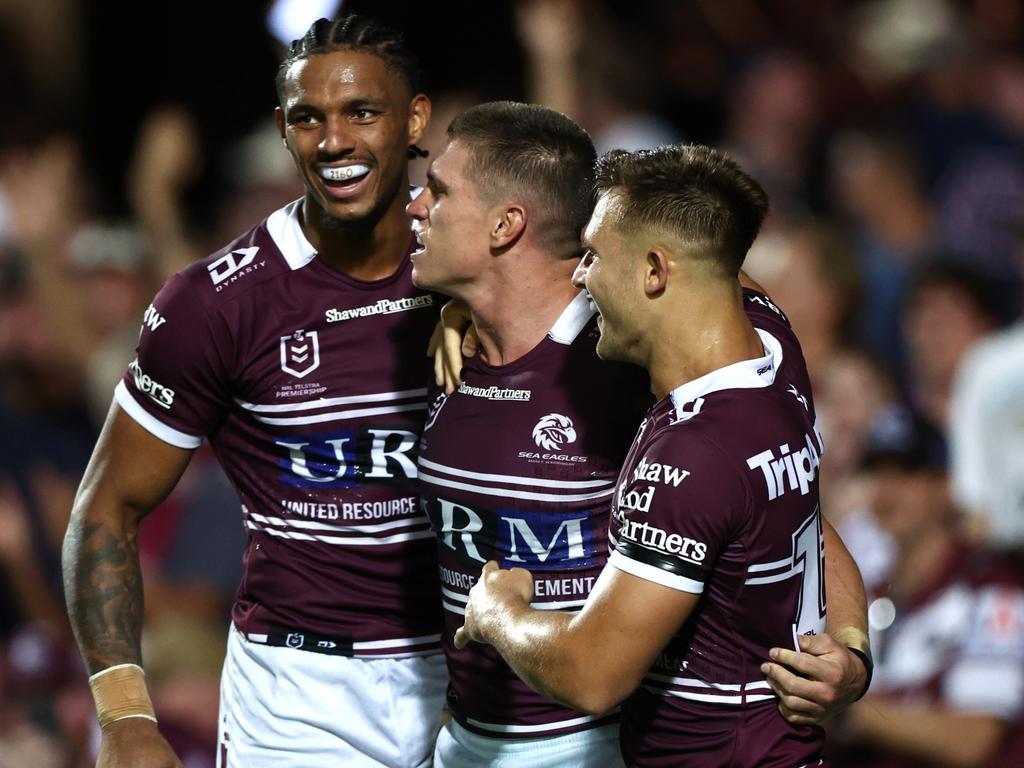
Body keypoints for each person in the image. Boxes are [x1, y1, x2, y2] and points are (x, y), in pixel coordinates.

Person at [412, 110, 870, 766]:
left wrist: (495, 612)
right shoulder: (769, 346)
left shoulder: (688, 449)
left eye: (594, 256)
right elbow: (716, 266)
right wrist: (851, 650)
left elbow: (590, 674)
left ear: (655, 273)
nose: (579, 275)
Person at [62, 15, 447, 768]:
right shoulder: (213, 303)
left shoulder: (486, 273)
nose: (334, 141)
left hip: (476, 679)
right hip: (301, 699)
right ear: (282, 129)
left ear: (416, 119)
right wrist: (126, 715)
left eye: (362, 112)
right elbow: (106, 505)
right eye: (309, 118)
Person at [835, 407, 1024, 768]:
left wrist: (843, 710)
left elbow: (974, 739)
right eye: (878, 473)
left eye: (906, 473)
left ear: (944, 485)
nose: (888, 491)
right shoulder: (865, 594)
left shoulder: (993, 588)